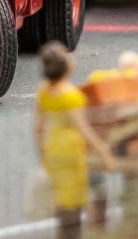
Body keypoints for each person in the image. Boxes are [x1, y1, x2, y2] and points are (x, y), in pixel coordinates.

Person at [33, 42, 116, 239]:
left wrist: (42, 154)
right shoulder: (71, 95)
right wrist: (103, 151)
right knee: (77, 198)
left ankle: (66, 231)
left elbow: (38, 128)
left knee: (63, 198)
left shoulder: (43, 91)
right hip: (72, 150)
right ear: (65, 66)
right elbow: (83, 129)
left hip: (53, 148)